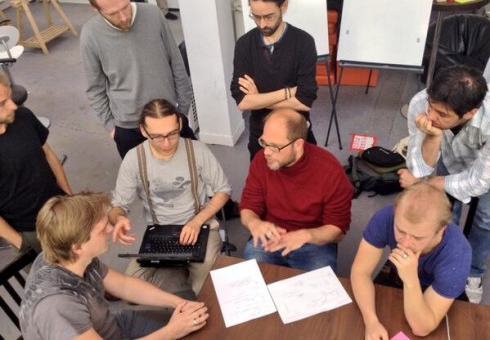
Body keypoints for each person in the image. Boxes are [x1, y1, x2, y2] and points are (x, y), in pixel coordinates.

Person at [19, 192, 209, 340]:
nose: (110, 229)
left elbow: (124, 285)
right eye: (103, 230)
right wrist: (171, 332)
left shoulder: (66, 255)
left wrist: (178, 303)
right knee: (184, 331)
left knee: (197, 326)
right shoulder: (57, 307)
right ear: (78, 247)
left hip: (110, 327)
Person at [110, 99, 231, 295]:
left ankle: (181, 271)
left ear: (180, 125)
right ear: (143, 131)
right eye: (157, 137)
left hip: (199, 225)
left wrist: (196, 222)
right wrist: (118, 218)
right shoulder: (134, 158)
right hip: (160, 231)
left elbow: (223, 190)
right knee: (131, 291)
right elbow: (118, 206)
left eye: (172, 134)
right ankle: (176, 271)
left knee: (203, 290)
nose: (166, 143)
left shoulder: (197, 151)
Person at [399, 64, 490, 304]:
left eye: (442, 115)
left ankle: (474, 272)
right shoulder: (420, 103)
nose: (430, 117)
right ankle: (443, 263)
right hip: (448, 159)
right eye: (432, 107)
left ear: (470, 113)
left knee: (485, 219)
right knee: (443, 213)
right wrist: (433, 135)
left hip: (486, 169)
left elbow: (479, 181)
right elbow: (419, 169)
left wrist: (428, 182)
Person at [81, 0, 194, 158]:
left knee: (192, 169)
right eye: (113, 13)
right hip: (129, 128)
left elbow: (176, 63)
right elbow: (95, 89)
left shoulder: (153, 14)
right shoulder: (90, 35)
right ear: (96, 8)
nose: (124, 17)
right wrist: (112, 128)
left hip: (170, 118)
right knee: (143, 183)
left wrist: (182, 111)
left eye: (125, 6)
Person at [351, 182, 471, 339]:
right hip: (399, 278)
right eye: (400, 230)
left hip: (436, 294)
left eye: (418, 237)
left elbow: (421, 328)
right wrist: (371, 321)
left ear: (441, 230)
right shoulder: (386, 217)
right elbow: (360, 271)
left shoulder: (457, 254)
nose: (405, 243)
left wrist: (410, 279)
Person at [240, 108, 352, 272]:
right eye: (263, 142)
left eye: (275, 146)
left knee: (318, 291)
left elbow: (337, 230)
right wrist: (254, 223)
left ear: (298, 145)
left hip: (313, 242)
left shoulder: (331, 172)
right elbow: (248, 206)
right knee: (253, 283)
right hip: (271, 238)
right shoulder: (260, 161)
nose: (266, 152)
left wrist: (306, 235)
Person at [230, 0, 318, 160]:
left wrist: (258, 99)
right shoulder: (245, 44)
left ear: (284, 6)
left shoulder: (304, 43)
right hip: (260, 137)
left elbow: (304, 101)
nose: (262, 24)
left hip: (296, 136)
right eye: (256, 16)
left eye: (269, 16)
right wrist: (288, 93)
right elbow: (242, 102)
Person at [0, 72, 72, 254]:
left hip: (60, 211)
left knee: (87, 266)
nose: (13, 106)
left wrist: (68, 195)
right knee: (57, 281)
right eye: (2, 103)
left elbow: (48, 153)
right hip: (29, 231)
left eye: (10, 97)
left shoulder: (23, 116)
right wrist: (21, 242)